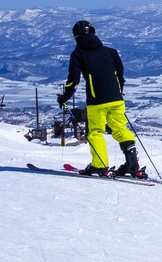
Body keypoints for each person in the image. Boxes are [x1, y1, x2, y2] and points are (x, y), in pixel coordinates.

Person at [55, 20, 145, 178]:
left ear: (76, 37)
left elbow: (73, 79)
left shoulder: (78, 54)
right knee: (120, 129)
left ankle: (99, 166)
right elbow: (120, 75)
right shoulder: (111, 52)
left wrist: (64, 97)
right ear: (94, 32)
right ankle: (132, 165)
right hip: (117, 99)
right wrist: (118, 91)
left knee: (95, 132)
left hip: (97, 101)